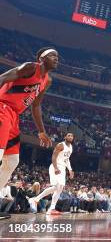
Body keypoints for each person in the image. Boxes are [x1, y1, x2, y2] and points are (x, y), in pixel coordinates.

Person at [0, 47, 57, 219]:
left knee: (12, 160)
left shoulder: (47, 80)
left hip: (14, 116)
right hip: (2, 107)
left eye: (57, 57)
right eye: (52, 55)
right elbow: (3, 77)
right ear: (41, 58)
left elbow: (36, 105)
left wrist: (41, 131)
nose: (56, 58)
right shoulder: (30, 67)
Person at [29, 133, 75, 215]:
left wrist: (70, 170)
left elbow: (67, 159)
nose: (70, 137)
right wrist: (56, 167)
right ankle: (35, 199)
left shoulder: (71, 147)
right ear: (65, 137)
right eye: (68, 135)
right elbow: (54, 156)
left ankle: (51, 208)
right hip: (56, 166)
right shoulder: (60, 145)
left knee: (60, 188)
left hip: (63, 168)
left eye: (72, 136)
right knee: (56, 187)